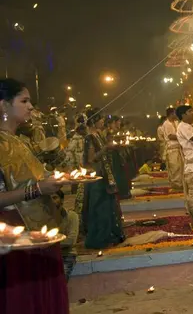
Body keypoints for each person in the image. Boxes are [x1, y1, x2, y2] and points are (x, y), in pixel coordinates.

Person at [0, 78, 69, 313]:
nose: (31, 106)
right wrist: (37, 190)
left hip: (39, 227)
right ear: (3, 105)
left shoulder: (20, 141)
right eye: (24, 100)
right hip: (14, 234)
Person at [77, 109, 125, 249]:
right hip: (97, 177)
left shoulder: (98, 135)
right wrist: (106, 148)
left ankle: (109, 233)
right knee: (99, 208)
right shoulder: (89, 137)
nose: (103, 121)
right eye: (100, 119)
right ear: (93, 120)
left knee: (108, 206)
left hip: (105, 174)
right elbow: (92, 159)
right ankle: (99, 237)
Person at [51, 190, 79, 281]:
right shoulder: (44, 219)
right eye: (49, 199)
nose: (51, 201)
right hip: (49, 256)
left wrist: (49, 244)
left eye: (54, 198)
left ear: (62, 200)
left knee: (60, 281)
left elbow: (71, 241)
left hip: (66, 256)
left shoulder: (72, 216)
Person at [163, 108, 184, 191]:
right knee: (174, 168)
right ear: (171, 114)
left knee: (181, 167)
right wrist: (183, 137)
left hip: (179, 148)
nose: (176, 115)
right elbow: (171, 136)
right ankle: (175, 186)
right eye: (175, 113)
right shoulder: (166, 124)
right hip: (172, 149)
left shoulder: (176, 122)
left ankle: (181, 185)